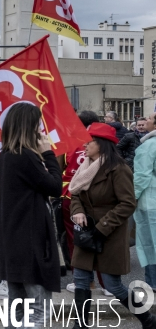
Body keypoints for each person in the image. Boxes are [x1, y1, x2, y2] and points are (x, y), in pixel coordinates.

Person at [69, 123, 152, 328]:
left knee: (113, 285)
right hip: (87, 232)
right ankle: (80, 325)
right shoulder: (85, 166)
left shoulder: (119, 169)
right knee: (80, 280)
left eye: (89, 141)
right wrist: (77, 211)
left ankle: (148, 320)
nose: (85, 145)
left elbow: (127, 203)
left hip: (109, 233)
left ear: (102, 144)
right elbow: (76, 194)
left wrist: (103, 226)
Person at [0, 103, 62, 326]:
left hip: (12, 238)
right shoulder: (26, 157)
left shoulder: (5, 155)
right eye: (37, 124)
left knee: (16, 307)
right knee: (38, 309)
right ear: (29, 126)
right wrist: (48, 154)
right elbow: (54, 187)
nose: (41, 130)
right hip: (30, 238)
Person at [59, 110, 109, 295]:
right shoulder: (105, 142)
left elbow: (57, 169)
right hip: (101, 198)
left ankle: (85, 282)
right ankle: (108, 283)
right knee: (104, 238)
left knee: (77, 240)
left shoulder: (69, 142)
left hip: (71, 197)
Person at [134, 112, 156, 291]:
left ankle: (153, 283)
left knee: (150, 242)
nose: (145, 120)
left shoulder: (149, 145)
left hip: (151, 201)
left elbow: (142, 175)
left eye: (149, 118)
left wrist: (131, 196)